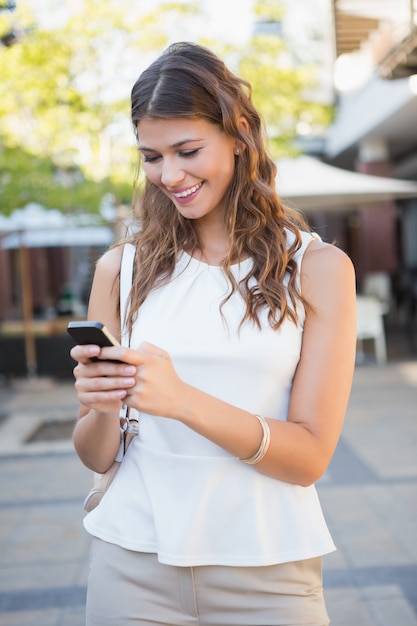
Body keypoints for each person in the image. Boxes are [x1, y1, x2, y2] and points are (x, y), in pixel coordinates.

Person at [71, 41, 356, 626]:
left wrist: (182, 402)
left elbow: (309, 458)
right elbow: (97, 454)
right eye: (151, 157)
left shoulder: (319, 269)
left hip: (269, 572)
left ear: (240, 132)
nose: (169, 175)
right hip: (132, 566)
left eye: (187, 150)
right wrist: (100, 406)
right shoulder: (120, 270)